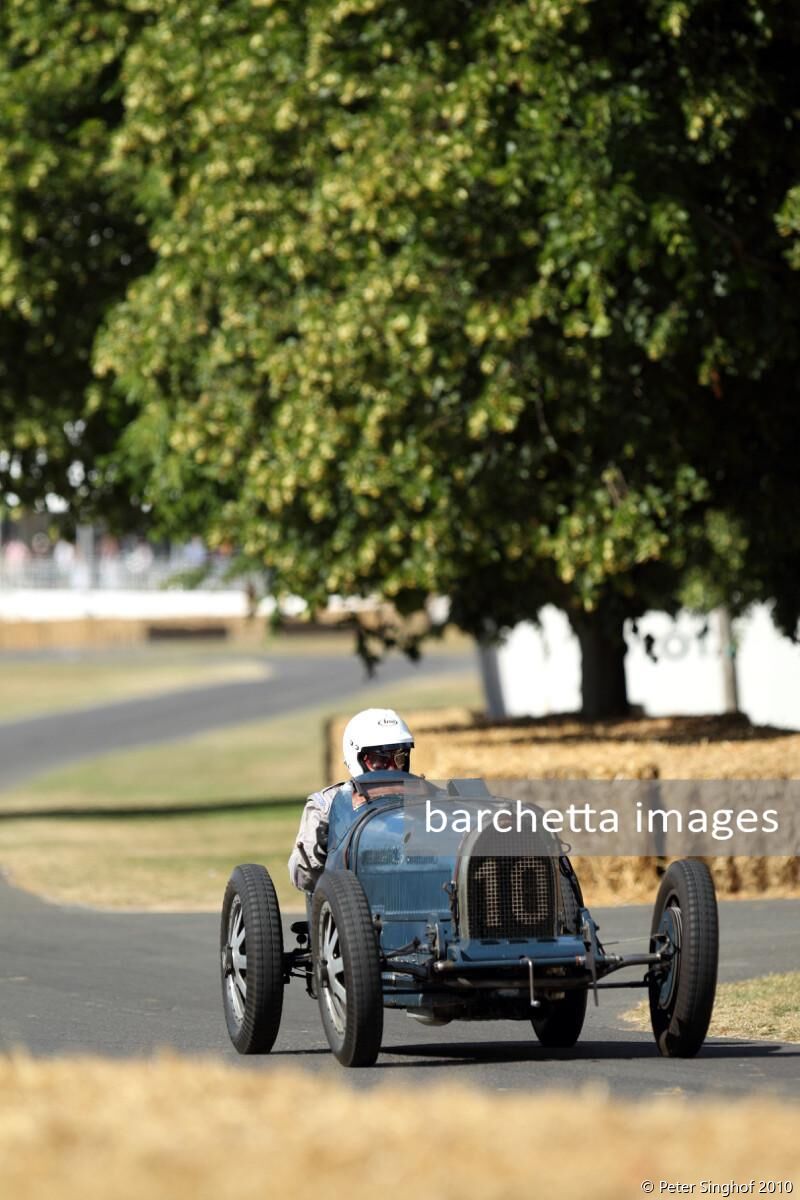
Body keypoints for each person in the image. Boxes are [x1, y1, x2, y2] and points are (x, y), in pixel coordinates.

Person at [288, 707, 415, 892]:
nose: (393, 768)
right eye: (379, 760)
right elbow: (300, 878)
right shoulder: (327, 804)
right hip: (350, 909)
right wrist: (319, 851)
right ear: (358, 758)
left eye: (400, 758)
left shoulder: (425, 798)